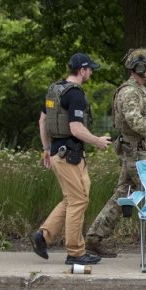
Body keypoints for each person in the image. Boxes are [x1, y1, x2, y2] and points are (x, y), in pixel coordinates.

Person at [84, 48, 146, 258]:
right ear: (140, 68)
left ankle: (94, 239)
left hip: (137, 151)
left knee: (123, 196)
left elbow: (142, 123)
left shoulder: (139, 90)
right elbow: (136, 123)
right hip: (136, 155)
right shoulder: (130, 92)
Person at [30, 53, 111, 265]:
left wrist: (46, 149)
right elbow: (75, 128)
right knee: (78, 201)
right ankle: (75, 252)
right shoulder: (75, 95)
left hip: (59, 153)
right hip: (70, 156)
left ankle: (43, 235)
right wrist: (97, 141)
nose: (91, 72)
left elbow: (43, 121)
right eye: (90, 69)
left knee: (74, 197)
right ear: (82, 70)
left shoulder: (54, 90)